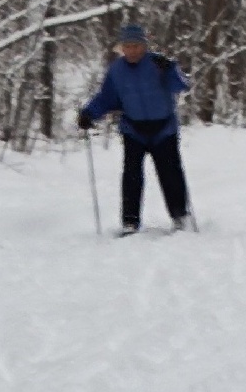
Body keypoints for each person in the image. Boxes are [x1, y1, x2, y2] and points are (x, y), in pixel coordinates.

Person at [78, 23, 193, 236]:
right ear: (122, 48)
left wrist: (170, 68)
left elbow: (182, 86)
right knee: (131, 176)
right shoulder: (117, 70)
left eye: (136, 46)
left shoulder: (158, 64)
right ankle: (130, 222)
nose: (132, 50)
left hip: (163, 129)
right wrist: (89, 113)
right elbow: (107, 97)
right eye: (127, 46)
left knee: (171, 174)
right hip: (134, 130)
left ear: (144, 46)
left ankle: (180, 216)